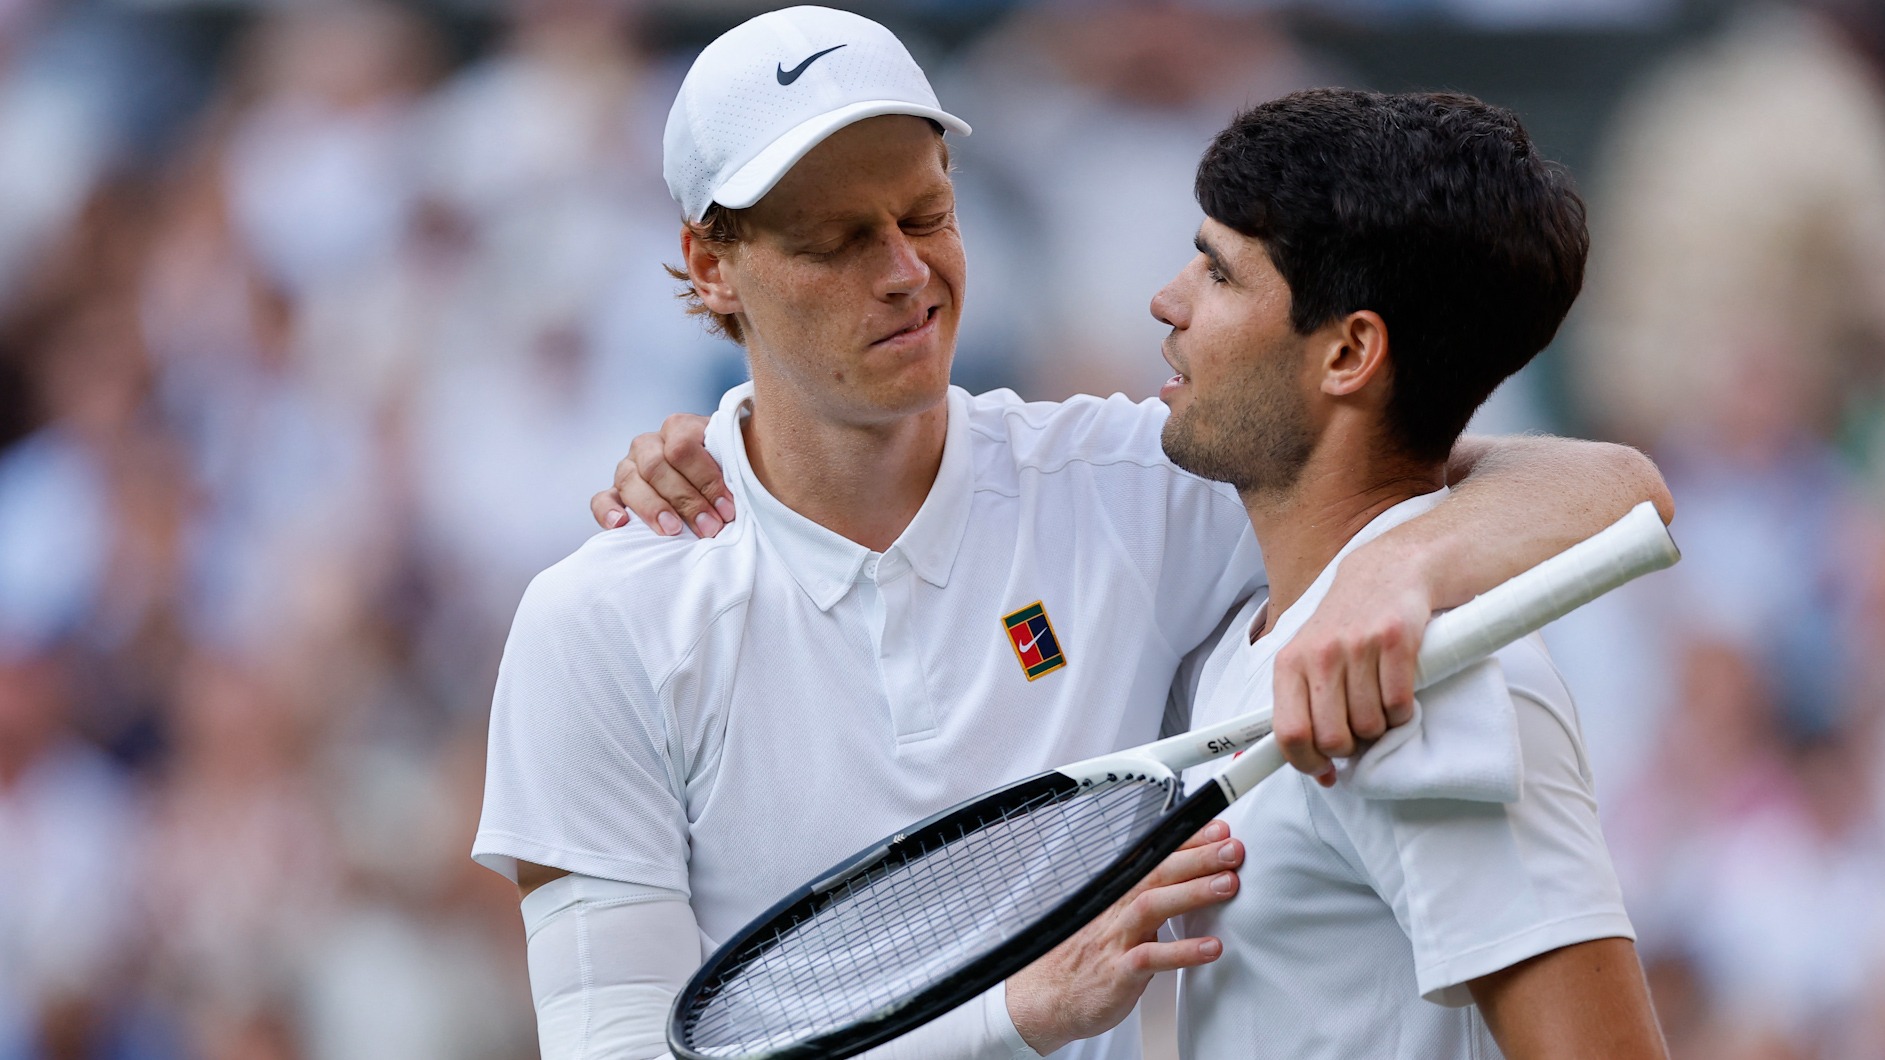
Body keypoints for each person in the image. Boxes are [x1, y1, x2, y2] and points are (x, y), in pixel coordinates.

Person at [484, 8, 1672, 1059]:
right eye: (836, 241)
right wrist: (1008, 1017)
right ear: (712, 266)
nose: (904, 273)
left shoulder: (1144, 473)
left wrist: (1404, 566)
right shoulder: (597, 622)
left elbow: (1593, 484)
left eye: (925, 212)